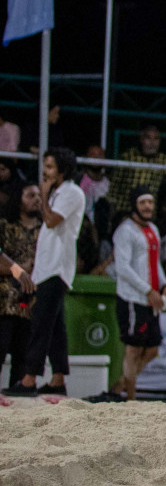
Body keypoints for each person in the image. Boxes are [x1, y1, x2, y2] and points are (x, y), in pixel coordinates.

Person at [7, 149, 86, 396]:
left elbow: (51, 221)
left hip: (56, 268)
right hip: (48, 268)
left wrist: (42, 193)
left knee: (40, 325)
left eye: (50, 167)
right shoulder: (58, 193)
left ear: (62, 169)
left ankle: (29, 379)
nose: (45, 172)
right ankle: (58, 380)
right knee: (56, 329)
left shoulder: (71, 192)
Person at [108, 186, 166, 400]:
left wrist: (164, 285)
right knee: (134, 349)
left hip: (151, 300)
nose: (147, 206)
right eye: (143, 202)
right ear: (134, 205)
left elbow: (155, 263)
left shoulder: (153, 229)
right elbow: (122, 268)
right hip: (132, 299)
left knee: (152, 349)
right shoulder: (125, 231)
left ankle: (120, 386)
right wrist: (148, 290)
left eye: (150, 202)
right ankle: (131, 399)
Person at [1, 184, 41, 388]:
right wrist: (19, 270)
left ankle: (17, 394)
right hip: (5, 301)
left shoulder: (45, 229)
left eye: (39, 195)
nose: (37, 199)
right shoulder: (5, 226)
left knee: (23, 356)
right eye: (30, 195)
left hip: (32, 301)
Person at [107, 125, 166, 211]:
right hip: (126, 209)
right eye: (148, 138)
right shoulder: (129, 156)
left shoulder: (162, 160)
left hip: (148, 211)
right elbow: (115, 184)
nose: (152, 142)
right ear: (141, 139)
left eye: (156, 139)